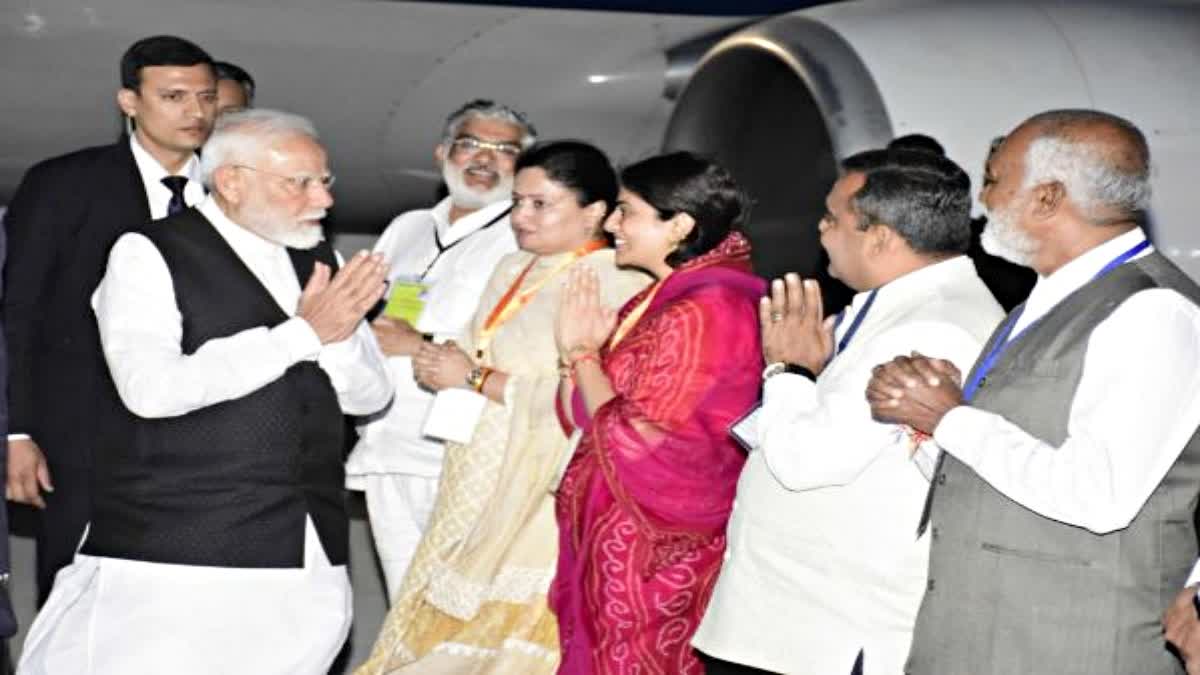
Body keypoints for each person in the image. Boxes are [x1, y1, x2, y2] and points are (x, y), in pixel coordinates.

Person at [17, 109, 393, 675]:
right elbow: (151, 390)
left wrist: (334, 339)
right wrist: (300, 334)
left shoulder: (319, 260)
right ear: (232, 181)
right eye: (300, 183)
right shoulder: (148, 252)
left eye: (325, 181)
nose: (323, 199)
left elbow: (369, 398)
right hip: (178, 551)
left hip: (305, 553)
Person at [867, 109, 1200, 674]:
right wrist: (923, 417)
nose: (984, 202)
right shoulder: (1044, 301)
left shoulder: (1153, 310)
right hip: (984, 636)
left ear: (1047, 198)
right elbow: (1005, 473)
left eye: (994, 180)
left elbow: (1100, 496)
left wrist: (952, 418)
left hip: (1067, 646)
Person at [692, 148, 1004, 675]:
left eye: (832, 217)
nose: (820, 228)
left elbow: (806, 463)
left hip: (822, 632)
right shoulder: (905, 305)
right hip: (797, 619)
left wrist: (788, 369)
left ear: (880, 237)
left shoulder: (930, 326)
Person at [356, 140, 649, 674]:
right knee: (426, 622)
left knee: (499, 644)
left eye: (541, 204)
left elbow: (589, 402)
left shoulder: (616, 279)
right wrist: (443, 359)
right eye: (518, 202)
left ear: (595, 213)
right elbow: (478, 347)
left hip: (538, 485)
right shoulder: (512, 265)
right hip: (471, 468)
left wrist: (471, 376)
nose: (521, 217)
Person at [3, 34, 217, 604]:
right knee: (75, 589)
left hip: (202, 442)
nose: (194, 112)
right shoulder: (64, 184)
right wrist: (16, 431)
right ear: (129, 102)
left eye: (206, 97)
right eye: (173, 97)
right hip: (80, 434)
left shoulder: (233, 189)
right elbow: (18, 312)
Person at [549, 152, 766, 674]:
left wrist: (582, 354)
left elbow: (645, 441)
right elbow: (586, 414)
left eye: (627, 212)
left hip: (654, 549)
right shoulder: (664, 298)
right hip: (615, 533)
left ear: (680, 225)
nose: (611, 224)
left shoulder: (707, 309)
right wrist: (579, 357)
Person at [346, 99, 535, 601]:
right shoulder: (408, 226)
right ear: (442, 153)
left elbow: (523, 349)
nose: (484, 159)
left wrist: (418, 345)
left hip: (457, 458)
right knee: (401, 609)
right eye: (471, 144)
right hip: (387, 449)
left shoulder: (522, 238)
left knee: (453, 614)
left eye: (504, 151)